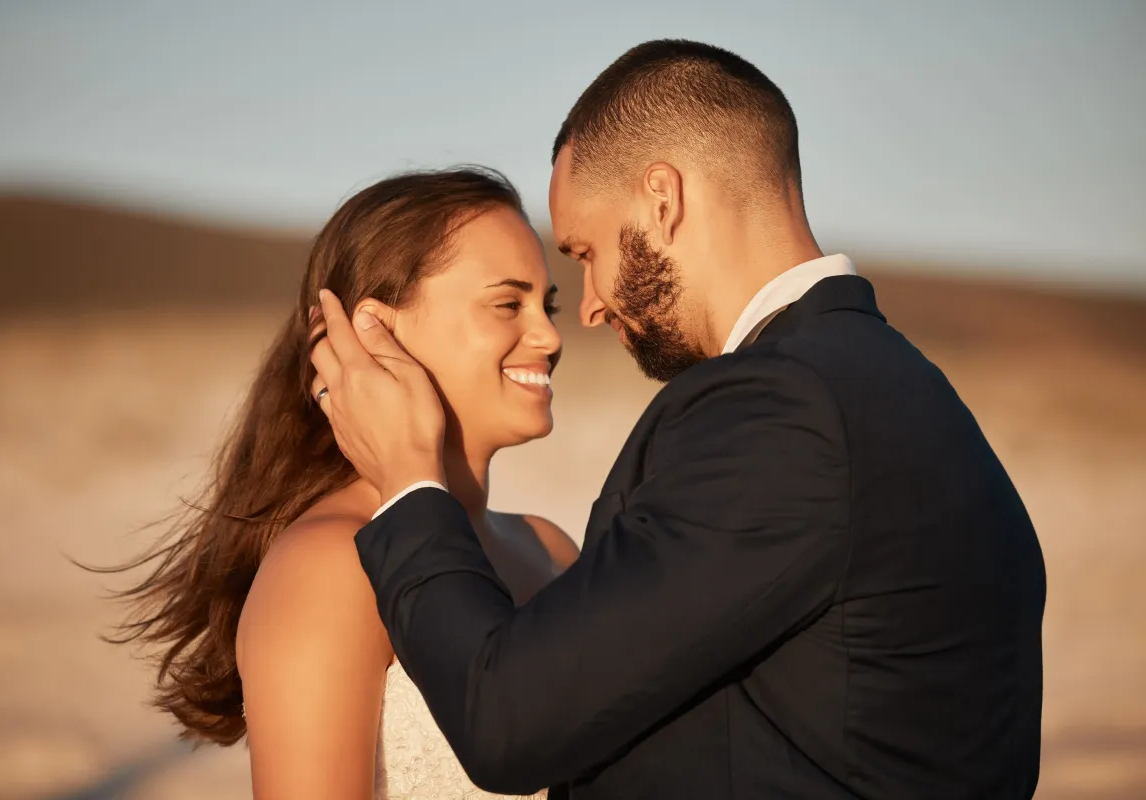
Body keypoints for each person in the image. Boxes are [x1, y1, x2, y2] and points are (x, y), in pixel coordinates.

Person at [310, 40, 1047, 798]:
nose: (589, 306)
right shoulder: (909, 390)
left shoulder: (783, 411)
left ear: (662, 201)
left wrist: (408, 486)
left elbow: (506, 722)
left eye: (587, 251)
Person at [104, 167, 577, 799]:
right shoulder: (330, 564)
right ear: (374, 332)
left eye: (547, 306)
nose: (549, 337)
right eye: (506, 304)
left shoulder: (552, 550)